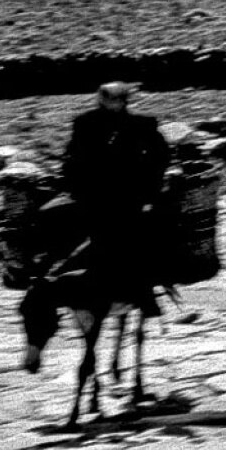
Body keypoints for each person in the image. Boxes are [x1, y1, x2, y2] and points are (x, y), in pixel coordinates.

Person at [58, 80, 172, 311]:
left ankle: (142, 295)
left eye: (119, 99)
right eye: (111, 99)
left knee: (130, 240)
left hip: (129, 195)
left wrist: (150, 187)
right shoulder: (85, 123)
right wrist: (74, 183)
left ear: (125, 101)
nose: (115, 104)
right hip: (93, 194)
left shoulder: (141, 124)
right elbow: (72, 156)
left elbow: (161, 156)